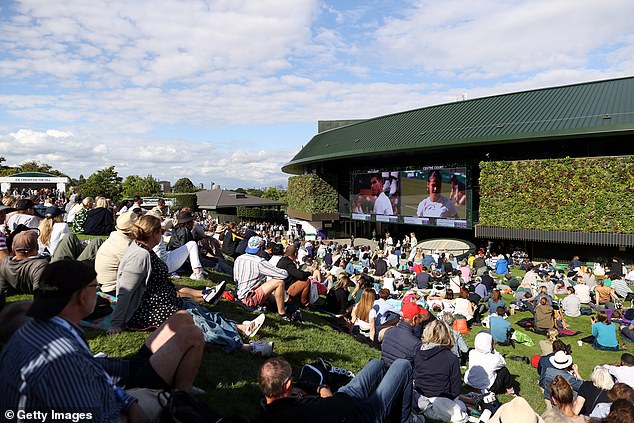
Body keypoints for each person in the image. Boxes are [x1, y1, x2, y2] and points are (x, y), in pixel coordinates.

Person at [0, 260, 204, 422]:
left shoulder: (42, 328)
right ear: (81, 297)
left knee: (182, 321)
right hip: (110, 409)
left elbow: (94, 379)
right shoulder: (62, 354)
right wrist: (132, 406)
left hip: (116, 387)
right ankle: (179, 397)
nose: (98, 293)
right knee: (173, 403)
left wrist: (127, 401)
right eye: (95, 287)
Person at [259, 355, 413, 423]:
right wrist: (325, 393)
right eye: (291, 378)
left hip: (343, 399)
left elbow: (301, 385)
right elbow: (340, 406)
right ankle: (405, 420)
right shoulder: (300, 412)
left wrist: (320, 388)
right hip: (361, 414)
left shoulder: (271, 403)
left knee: (376, 365)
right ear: (286, 385)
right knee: (403, 365)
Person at [413, 320, 465, 419]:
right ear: (447, 335)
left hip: (420, 398)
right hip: (442, 400)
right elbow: (456, 390)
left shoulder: (417, 353)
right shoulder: (451, 358)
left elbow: (415, 376)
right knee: (461, 406)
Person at [234, 235, 290, 319]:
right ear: (260, 248)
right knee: (279, 282)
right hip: (248, 297)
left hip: (238, 294)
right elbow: (284, 275)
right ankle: (282, 313)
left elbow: (235, 279)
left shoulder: (239, 258)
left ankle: (276, 305)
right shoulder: (259, 262)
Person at [94, 209, 141, 295]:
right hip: (112, 288)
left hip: (106, 285)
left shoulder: (116, 238)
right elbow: (137, 269)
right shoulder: (123, 245)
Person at [0, 230, 48, 307]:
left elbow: (3, 291)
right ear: (37, 247)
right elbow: (40, 294)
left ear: (13, 248)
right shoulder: (40, 265)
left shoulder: (5, 263)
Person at [381, 301, 427, 367]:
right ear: (414, 319)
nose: (420, 320)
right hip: (400, 375)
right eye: (419, 317)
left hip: (383, 371)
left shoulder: (388, 332)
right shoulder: (416, 344)